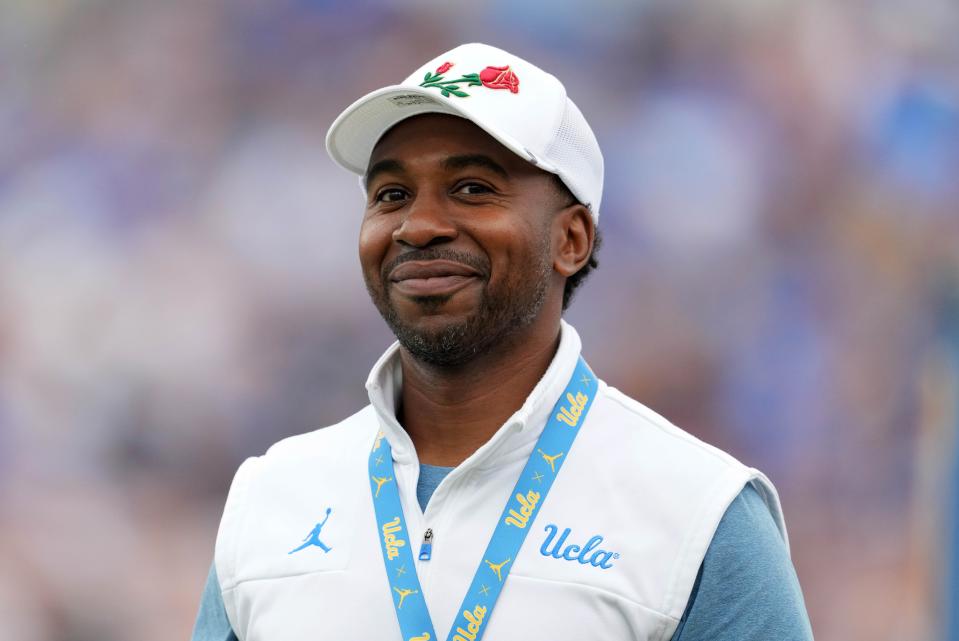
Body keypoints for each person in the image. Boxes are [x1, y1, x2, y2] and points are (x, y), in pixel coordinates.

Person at [191, 42, 813, 641]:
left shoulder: (699, 514)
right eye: (391, 195)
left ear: (571, 240)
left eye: (472, 189)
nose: (420, 225)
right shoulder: (269, 500)